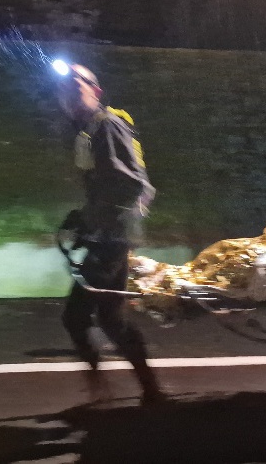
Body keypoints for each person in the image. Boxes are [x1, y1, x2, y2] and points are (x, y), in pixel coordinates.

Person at [57, 63, 165, 405]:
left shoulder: (106, 125)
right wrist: (82, 217)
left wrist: (91, 222)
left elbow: (128, 184)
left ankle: (104, 391)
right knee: (109, 319)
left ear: (96, 90)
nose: (70, 88)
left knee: (77, 317)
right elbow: (106, 185)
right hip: (109, 233)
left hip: (112, 235)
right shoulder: (91, 130)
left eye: (77, 82)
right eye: (64, 86)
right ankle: (147, 391)